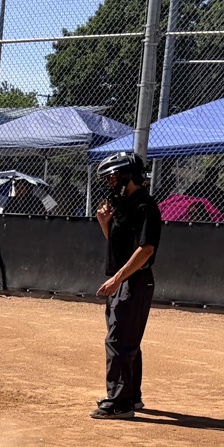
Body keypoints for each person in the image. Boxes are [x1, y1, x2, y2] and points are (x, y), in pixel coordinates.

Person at [92, 150, 162, 420]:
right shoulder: (124, 204)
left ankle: (120, 403)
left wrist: (117, 279)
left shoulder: (145, 206)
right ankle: (130, 396)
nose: (110, 182)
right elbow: (120, 246)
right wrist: (104, 224)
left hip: (134, 281)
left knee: (118, 340)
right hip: (123, 281)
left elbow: (146, 250)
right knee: (126, 339)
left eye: (113, 176)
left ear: (127, 175)